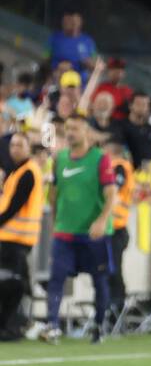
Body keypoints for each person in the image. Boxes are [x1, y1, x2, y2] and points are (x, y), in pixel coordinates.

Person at [35, 114, 118, 344]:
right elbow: (53, 191)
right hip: (65, 231)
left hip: (94, 234)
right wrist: (56, 218)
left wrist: (102, 220)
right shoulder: (59, 159)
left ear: (86, 132)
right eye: (68, 128)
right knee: (56, 277)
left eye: (75, 128)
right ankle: (52, 325)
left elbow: (111, 194)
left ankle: (100, 326)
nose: (70, 132)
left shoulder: (100, 159)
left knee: (99, 281)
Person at [0, 134, 44, 339]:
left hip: (17, 240)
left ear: (28, 148)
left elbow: (14, 206)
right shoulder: (16, 172)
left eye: (20, 145)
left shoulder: (28, 172)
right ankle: (11, 325)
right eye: (13, 145)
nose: (15, 149)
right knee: (13, 284)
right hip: (11, 239)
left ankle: (12, 327)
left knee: (12, 284)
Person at [105, 140, 135, 314]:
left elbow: (114, 189)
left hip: (116, 229)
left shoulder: (119, 166)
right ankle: (112, 310)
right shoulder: (120, 167)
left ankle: (116, 311)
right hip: (113, 228)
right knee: (110, 271)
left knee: (113, 271)